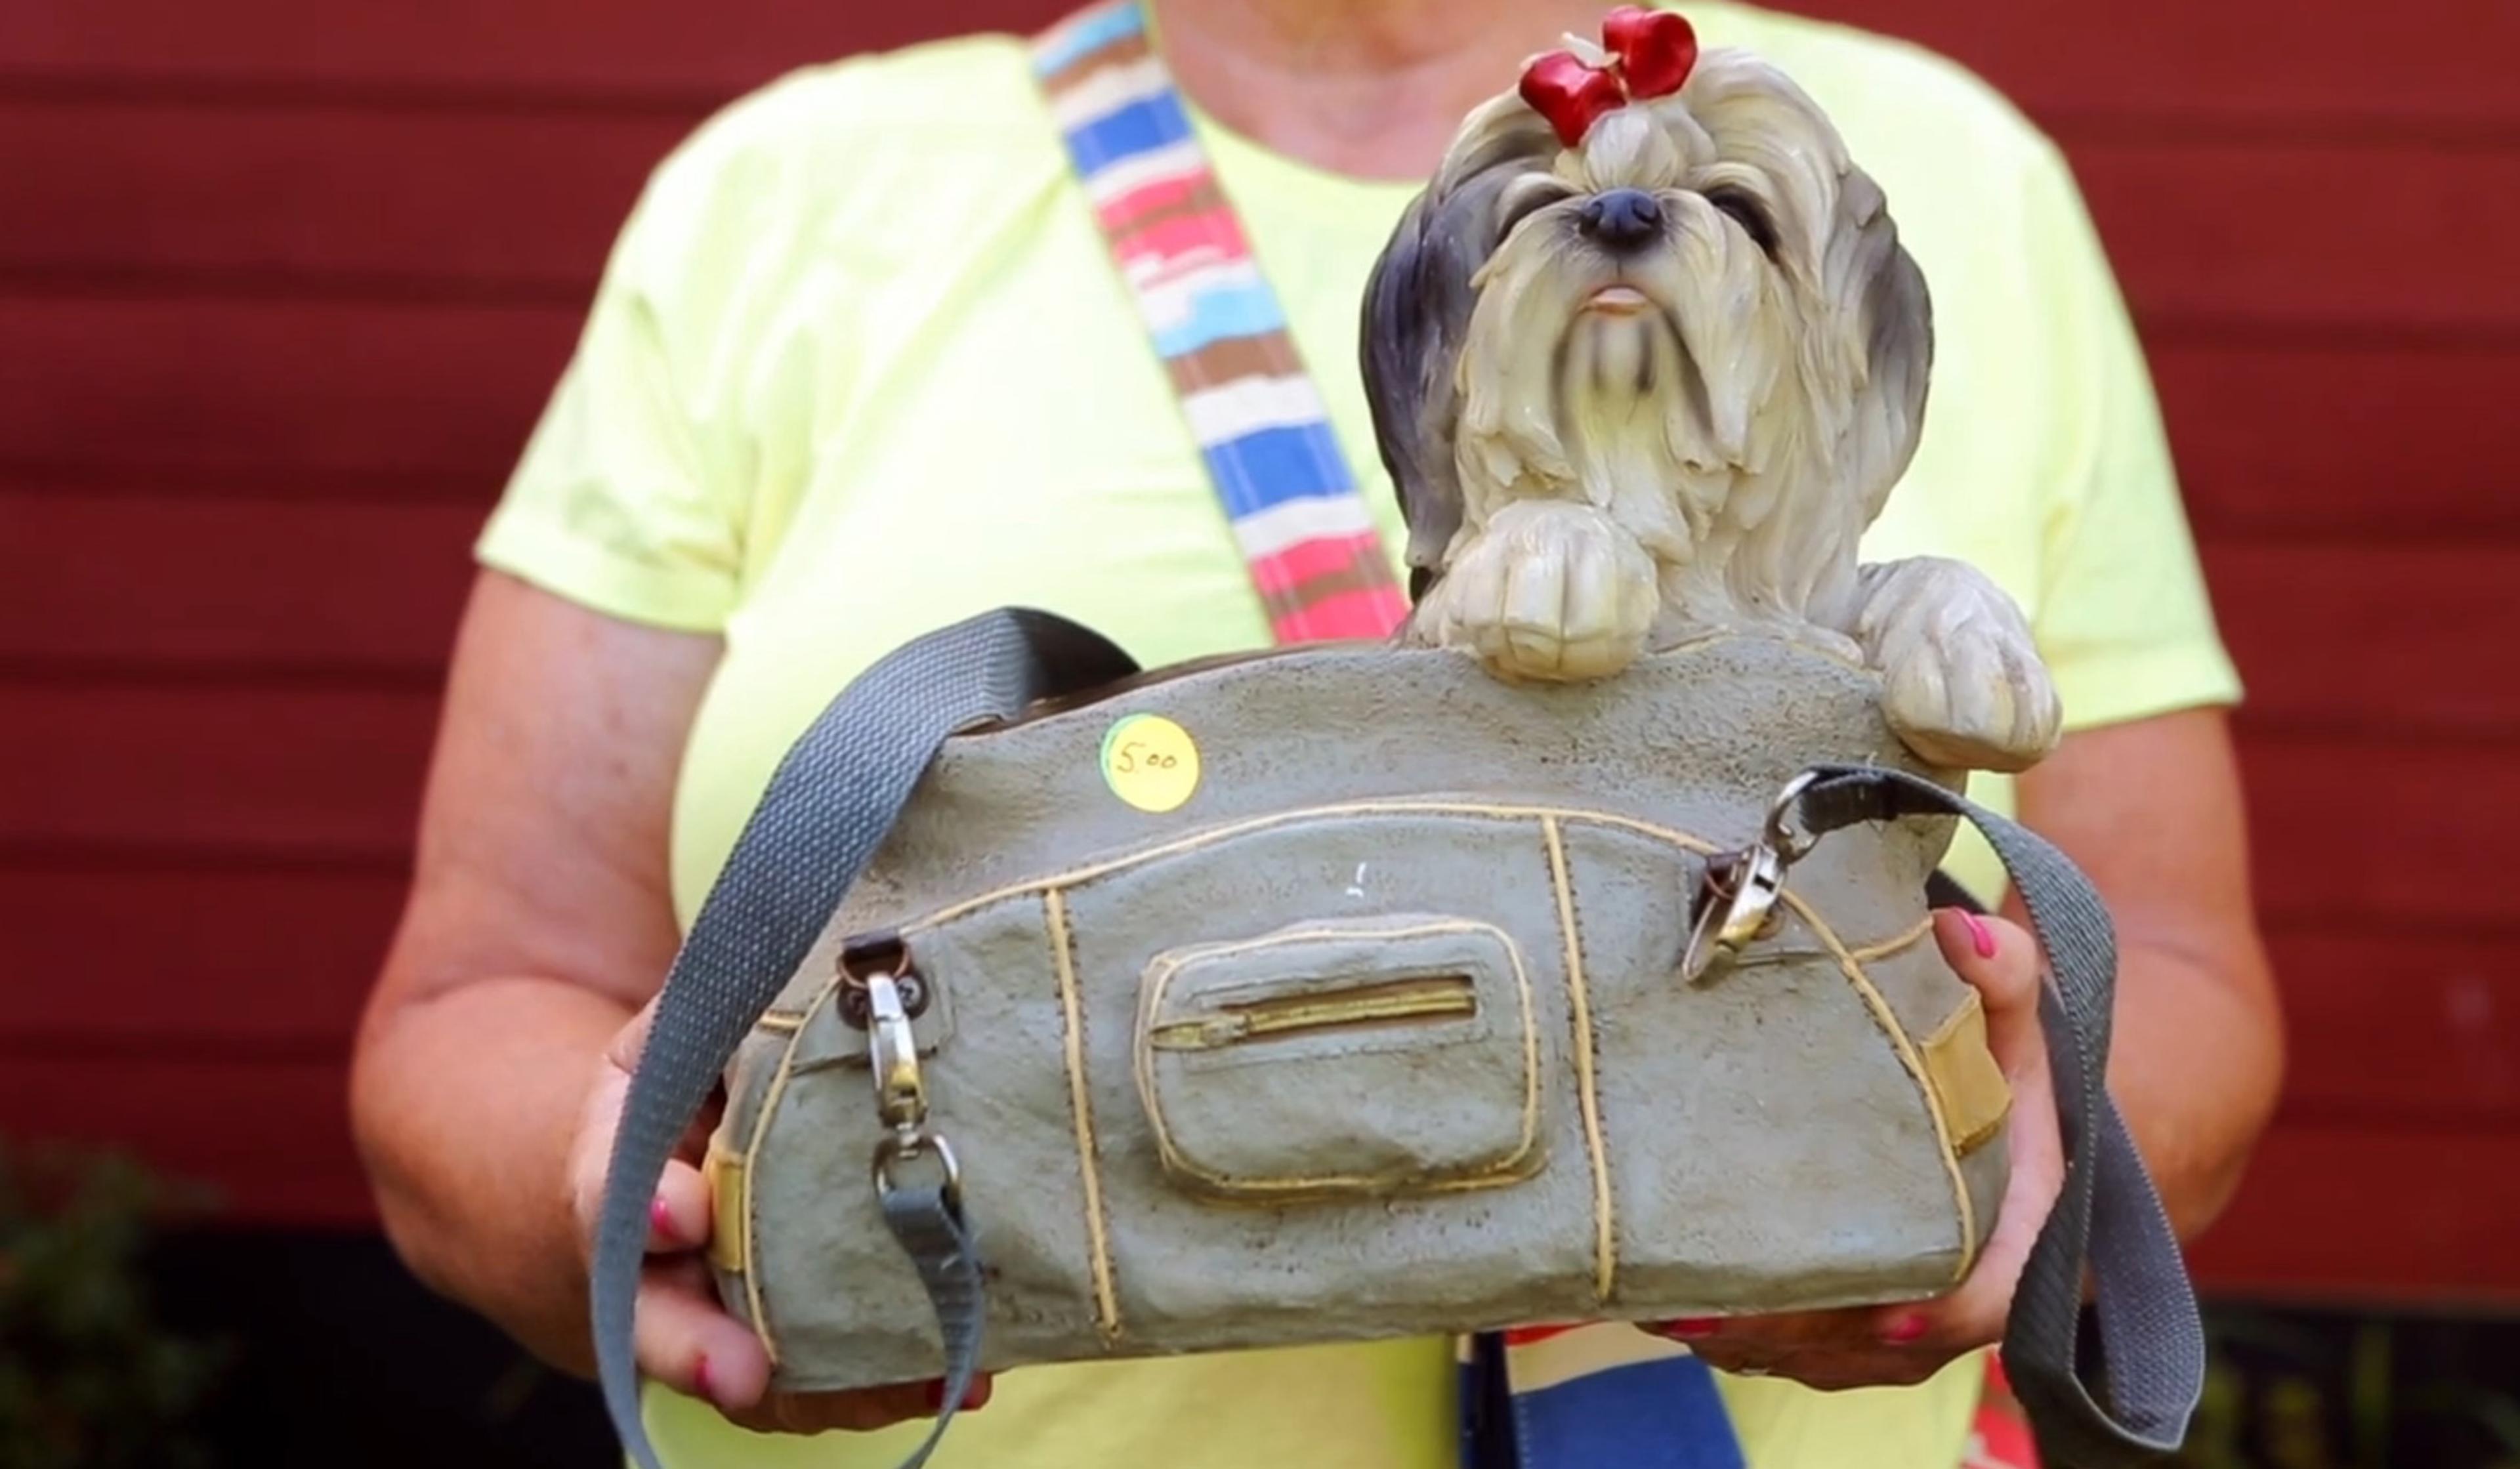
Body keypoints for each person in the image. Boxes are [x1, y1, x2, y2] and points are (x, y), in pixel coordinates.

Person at [346, 0, 2284, 1464]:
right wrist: (613, 1195)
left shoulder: (1971, 177)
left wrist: (2050, 1159)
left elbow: (2183, 977)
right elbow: (485, 999)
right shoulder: (778, 206)